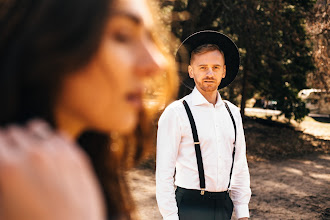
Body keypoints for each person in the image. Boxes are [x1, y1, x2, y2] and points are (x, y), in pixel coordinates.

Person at [0, 0, 178, 219]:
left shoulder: (97, 172)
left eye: (149, 38)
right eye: (122, 36)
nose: (157, 62)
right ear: (51, 40)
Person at [156, 30, 251, 220]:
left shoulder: (232, 113)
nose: (209, 73)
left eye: (216, 67)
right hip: (189, 205)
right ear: (191, 71)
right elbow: (164, 175)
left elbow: (240, 165)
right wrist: (171, 217)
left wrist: (242, 212)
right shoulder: (176, 113)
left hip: (224, 205)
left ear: (224, 71)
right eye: (203, 67)